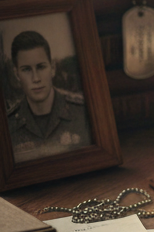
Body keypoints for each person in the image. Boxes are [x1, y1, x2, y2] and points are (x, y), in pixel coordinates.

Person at [6, 29, 91, 163]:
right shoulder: (7, 125)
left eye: (41, 67)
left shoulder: (84, 111)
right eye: (26, 70)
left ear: (52, 68)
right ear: (17, 74)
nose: (36, 78)